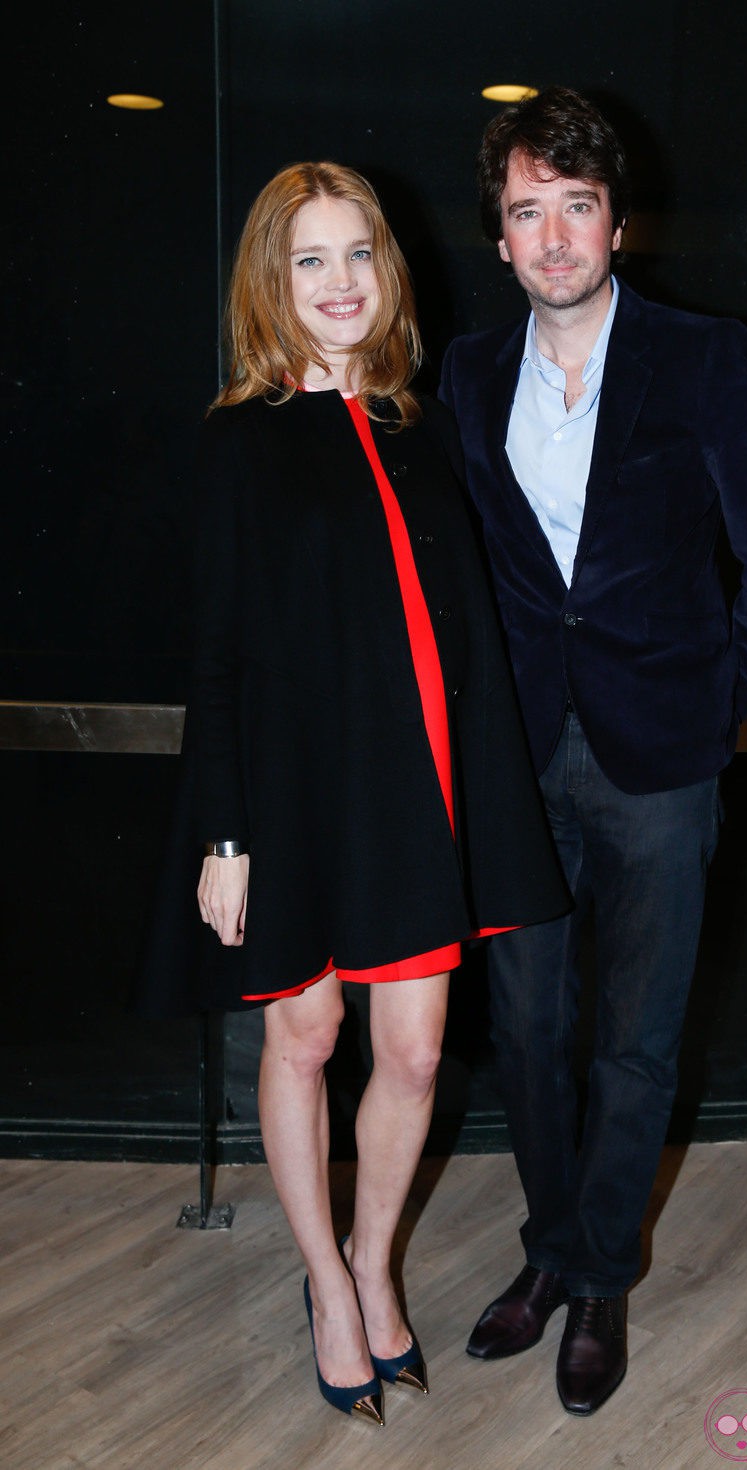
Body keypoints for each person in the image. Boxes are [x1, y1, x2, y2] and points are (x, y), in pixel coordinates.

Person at [140, 161, 568, 1426]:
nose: (337, 283)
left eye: (356, 256)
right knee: (304, 1036)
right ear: (271, 282)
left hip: (421, 792)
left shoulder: (423, 424)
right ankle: (327, 1284)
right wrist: (225, 835)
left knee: (415, 1050)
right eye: (308, 260)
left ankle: (376, 1264)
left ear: (387, 271)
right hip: (293, 796)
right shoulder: (239, 440)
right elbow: (214, 652)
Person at [439, 88, 747, 1415]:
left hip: (662, 756)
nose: (551, 238)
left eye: (574, 208)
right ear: (500, 238)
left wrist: (717, 707)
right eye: (525, 213)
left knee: (636, 1043)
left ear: (617, 221)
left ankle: (599, 1278)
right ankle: (551, 1249)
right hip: (520, 756)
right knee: (531, 1030)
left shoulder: (705, 356)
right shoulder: (469, 376)